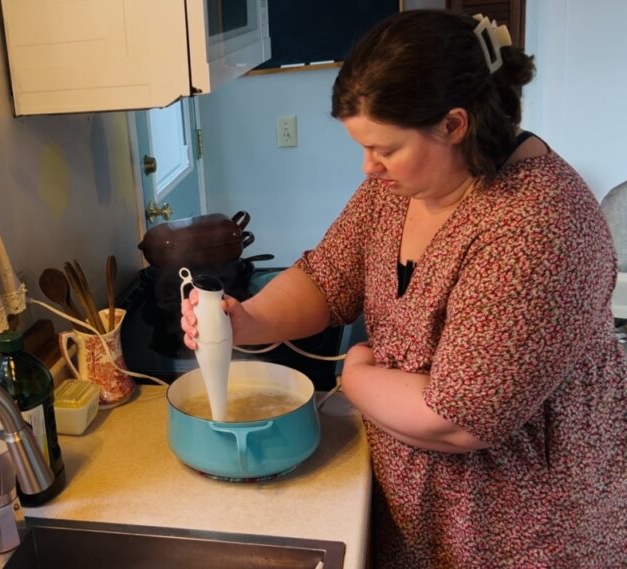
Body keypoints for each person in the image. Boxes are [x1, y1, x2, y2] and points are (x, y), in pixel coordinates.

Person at [181, 10, 627, 568]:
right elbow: (326, 278)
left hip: (520, 534)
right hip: (424, 520)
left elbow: (459, 420)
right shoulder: (405, 185)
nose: (367, 167)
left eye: (385, 148)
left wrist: (356, 374)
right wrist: (249, 320)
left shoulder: (538, 225)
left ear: (454, 124)